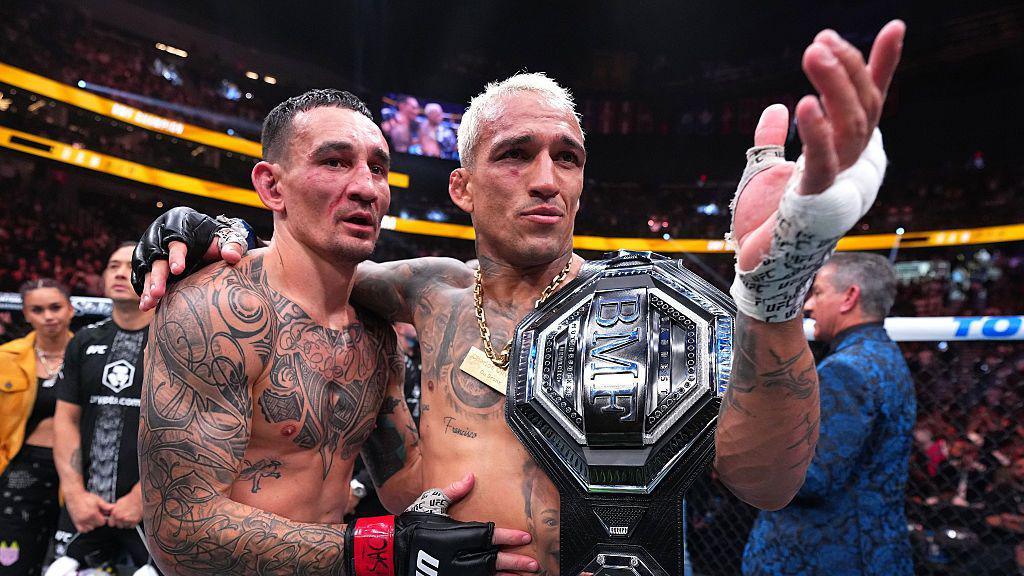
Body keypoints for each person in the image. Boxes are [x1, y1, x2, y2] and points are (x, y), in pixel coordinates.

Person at [134, 21, 906, 576]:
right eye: (516, 155)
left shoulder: (651, 310)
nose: (545, 179)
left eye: (566, 157)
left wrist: (773, 296)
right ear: (462, 187)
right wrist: (210, 234)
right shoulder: (424, 291)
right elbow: (302, 272)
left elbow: (769, 481)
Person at [136, 89, 535, 576]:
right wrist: (381, 551)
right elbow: (180, 529)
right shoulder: (214, 310)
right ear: (272, 186)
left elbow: (405, 486)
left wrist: (538, 461)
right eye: (335, 162)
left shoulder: (374, 333)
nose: (366, 187)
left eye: (378, 168)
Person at [742, 252, 916, 575]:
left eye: (818, 292)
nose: (808, 305)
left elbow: (809, 478)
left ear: (849, 297)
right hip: (870, 547)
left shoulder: (846, 370)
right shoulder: (886, 356)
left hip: (824, 556)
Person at [48, 243, 157, 575]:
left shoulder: (174, 340)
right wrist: (73, 493)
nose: (120, 273)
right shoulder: (84, 340)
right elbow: (66, 420)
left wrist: (145, 495)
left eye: (131, 265)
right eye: (113, 266)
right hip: (86, 507)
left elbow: (188, 430)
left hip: (152, 508)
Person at [0, 279, 74, 576]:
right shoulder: (5, 358)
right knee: (12, 562)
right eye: (38, 310)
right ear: (26, 314)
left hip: (77, 472)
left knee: (70, 564)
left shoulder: (92, 354)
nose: (48, 316)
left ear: (70, 309)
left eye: (55, 307)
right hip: (20, 468)